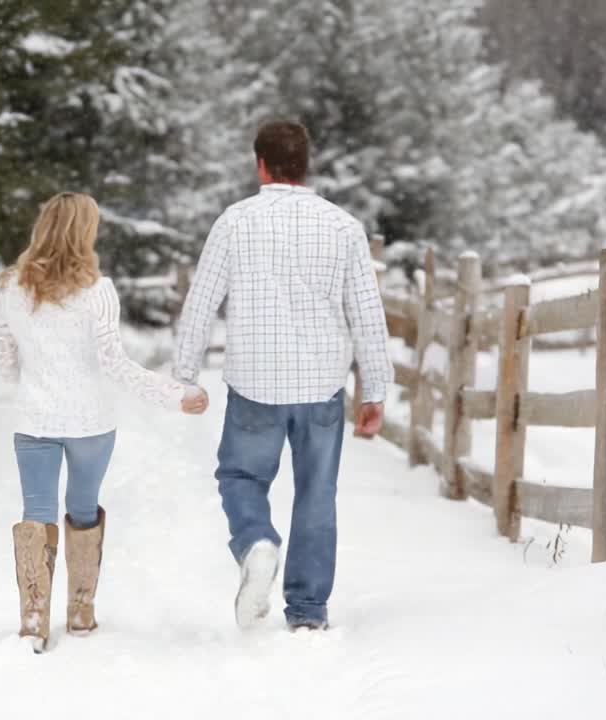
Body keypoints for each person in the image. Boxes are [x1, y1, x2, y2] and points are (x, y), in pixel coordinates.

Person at [173, 120, 393, 631]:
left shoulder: (234, 222)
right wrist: (375, 391)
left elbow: (201, 302)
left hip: (255, 382)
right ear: (305, 164)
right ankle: (308, 611)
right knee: (317, 493)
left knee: (240, 477)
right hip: (320, 386)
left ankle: (255, 542)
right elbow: (367, 313)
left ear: (261, 165)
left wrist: (186, 374)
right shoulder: (344, 227)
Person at [0, 191, 208, 652]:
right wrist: (176, 396)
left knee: (37, 514)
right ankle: (81, 610)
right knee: (83, 509)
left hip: (35, 421)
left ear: (43, 227)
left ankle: (33, 619)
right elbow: (114, 364)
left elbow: (2, 355)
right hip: (91, 421)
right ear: (84, 232)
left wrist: (26, 382)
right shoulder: (97, 291)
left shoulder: (11, 286)